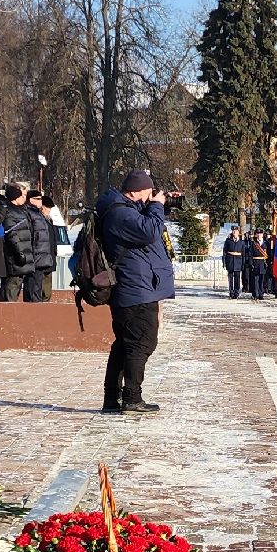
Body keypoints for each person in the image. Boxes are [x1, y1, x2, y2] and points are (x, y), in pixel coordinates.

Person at [96, 169, 174, 414]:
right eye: (148, 192)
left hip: (136, 287)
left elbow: (146, 224)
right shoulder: (120, 213)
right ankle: (131, 397)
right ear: (136, 191)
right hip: (135, 289)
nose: (151, 196)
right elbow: (149, 231)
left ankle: (112, 398)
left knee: (125, 344)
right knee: (141, 342)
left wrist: (158, 205)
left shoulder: (123, 209)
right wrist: (156, 206)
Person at [3, 183, 55, 303]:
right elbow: (17, 234)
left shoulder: (36, 213)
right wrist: (25, 252)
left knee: (37, 289)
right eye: (38, 198)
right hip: (31, 255)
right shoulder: (23, 212)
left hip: (38, 255)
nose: (41, 201)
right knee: (21, 288)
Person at [222, 226, 246, 298]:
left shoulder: (242, 242)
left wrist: (243, 264)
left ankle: (236, 292)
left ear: (238, 232)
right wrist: (224, 262)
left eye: (236, 231)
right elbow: (224, 252)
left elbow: (243, 254)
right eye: (233, 231)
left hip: (238, 262)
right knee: (230, 279)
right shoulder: (228, 241)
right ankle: (231, 292)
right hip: (230, 261)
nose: (234, 232)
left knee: (237, 279)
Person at [245, 231, 269, 301]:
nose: (259, 235)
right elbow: (250, 254)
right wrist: (251, 263)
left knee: (262, 279)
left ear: (262, 235)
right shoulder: (253, 243)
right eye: (258, 234)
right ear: (256, 235)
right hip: (255, 263)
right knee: (255, 280)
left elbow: (269, 254)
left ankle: (261, 294)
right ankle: (255, 294)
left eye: (260, 234)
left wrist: (268, 263)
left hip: (263, 263)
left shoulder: (266, 243)